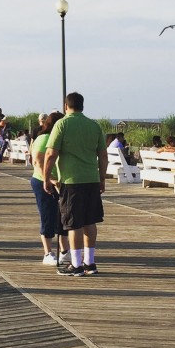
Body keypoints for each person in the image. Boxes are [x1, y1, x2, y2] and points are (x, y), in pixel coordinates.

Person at [42, 92, 108, 277]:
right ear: (83, 106)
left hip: (71, 182)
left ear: (66, 106)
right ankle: (90, 262)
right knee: (90, 221)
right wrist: (102, 178)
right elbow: (103, 155)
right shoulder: (94, 126)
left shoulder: (62, 124)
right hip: (92, 180)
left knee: (74, 223)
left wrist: (46, 178)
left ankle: (77, 265)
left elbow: (50, 154)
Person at [31, 110, 67, 265]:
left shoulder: (60, 139)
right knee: (47, 215)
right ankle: (48, 253)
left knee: (63, 216)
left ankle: (65, 251)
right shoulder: (43, 138)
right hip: (42, 181)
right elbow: (37, 162)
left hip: (60, 182)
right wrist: (49, 179)